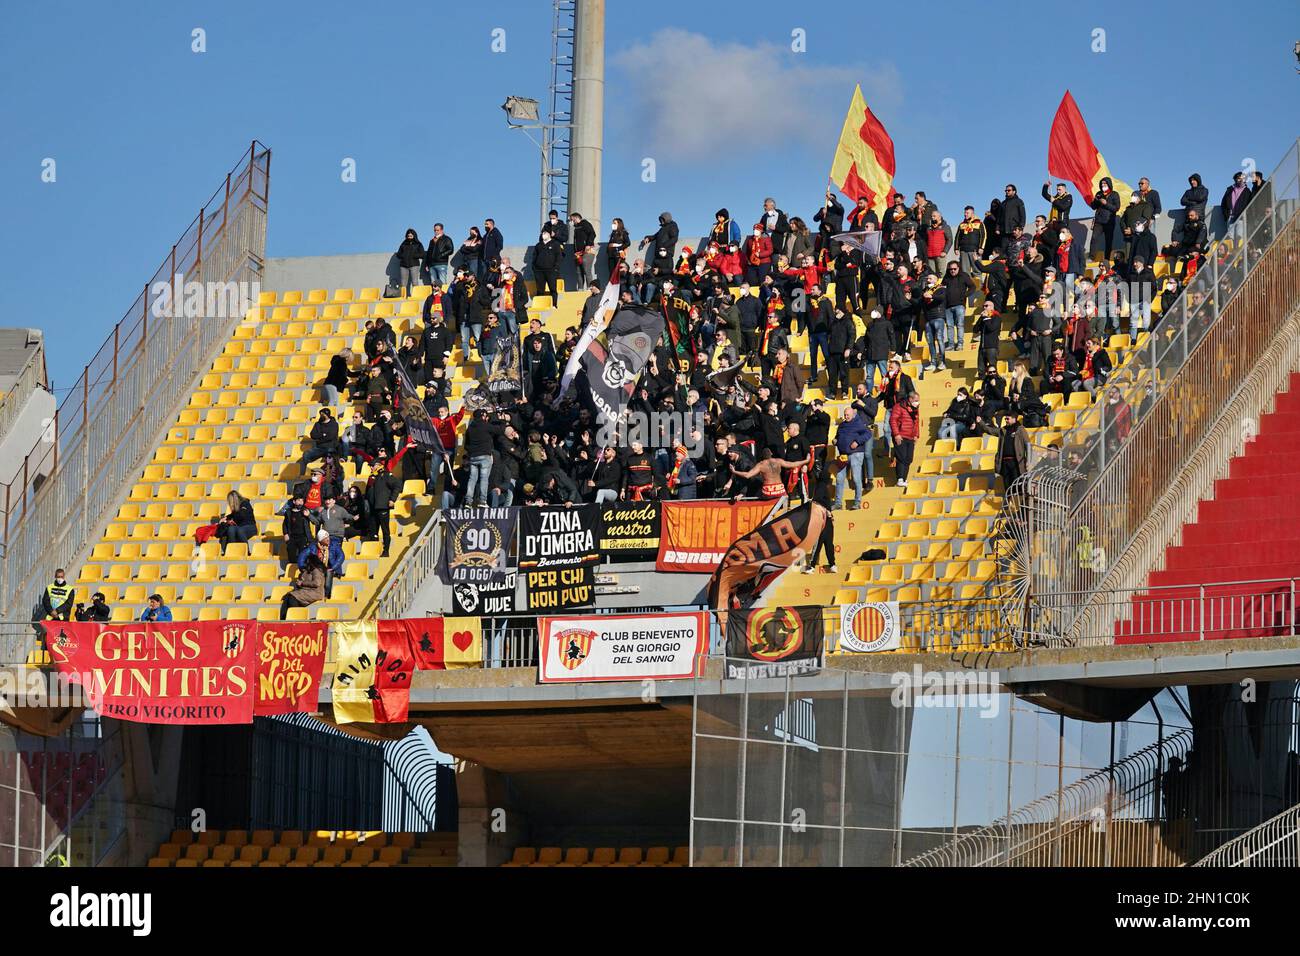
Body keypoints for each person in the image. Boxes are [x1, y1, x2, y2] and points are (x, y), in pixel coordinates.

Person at [833, 406, 872, 509]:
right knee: (839, 478)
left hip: (856, 454)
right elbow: (837, 436)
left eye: (848, 415)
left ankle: (857, 502)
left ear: (853, 415)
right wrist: (835, 440)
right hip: (843, 455)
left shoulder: (859, 423)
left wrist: (857, 441)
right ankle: (838, 503)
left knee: (856, 478)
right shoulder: (841, 425)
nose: (846, 417)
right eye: (845, 415)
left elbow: (868, 433)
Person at [280, 549, 327, 620]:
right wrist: (300, 582)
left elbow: (317, 583)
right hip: (308, 591)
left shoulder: (316, 571)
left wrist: (302, 583)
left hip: (315, 593)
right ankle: (283, 620)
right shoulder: (308, 571)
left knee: (292, 598)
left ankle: (295, 618)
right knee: (287, 597)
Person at [889, 392, 922, 485]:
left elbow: (916, 422)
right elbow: (893, 420)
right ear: (910, 399)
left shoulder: (915, 409)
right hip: (900, 436)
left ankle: (904, 479)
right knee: (901, 457)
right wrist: (896, 434)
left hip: (910, 436)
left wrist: (916, 435)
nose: (917, 402)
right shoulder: (898, 406)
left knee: (909, 458)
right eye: (916, 400)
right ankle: (900, 479)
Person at [531, 226, 563, 302]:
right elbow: (534, 257)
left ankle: (554, 304)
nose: (543, 234)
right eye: (543, 233)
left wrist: (556, 268)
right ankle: (540, 304)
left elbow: (559, 256)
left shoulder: (555, 244)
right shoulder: (538, 245)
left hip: (551, 271)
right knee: (540, 290)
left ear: (549, 234)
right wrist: (534, 267)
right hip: (539, 271)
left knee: (553, 289)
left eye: (545, 233)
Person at [569, 212, 597, 286]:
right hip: (578, 253)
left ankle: (589, 287)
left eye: (572, 220)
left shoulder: (585, 224)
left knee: (586, 270)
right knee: (579, 271)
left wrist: (588, 244)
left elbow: (592, 234)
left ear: (576, 218)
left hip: (587, 251)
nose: (571, 222)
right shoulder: (576, 228)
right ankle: (580, 288)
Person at [424, 222, 455, 288]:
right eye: (435, 230)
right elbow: (429, 253)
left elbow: (451, 250)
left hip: (441, 263)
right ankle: (435, 297)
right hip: (431, 265)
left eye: (437, 230)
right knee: (433, 283)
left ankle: (444, 298)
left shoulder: (447, 239)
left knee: (442, 282)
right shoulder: (432, 241)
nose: (436, 231)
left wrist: (441, 255)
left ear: (442, 230)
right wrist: (427, 264)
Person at [396, 228, 424, 295]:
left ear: (414, 236)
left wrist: (414, 255)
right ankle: (403, 296)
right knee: (403, 283)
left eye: (411, 236)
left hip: (414, 265)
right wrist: (404, 256)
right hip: (403, 266)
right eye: (408, 236)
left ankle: (416, 295)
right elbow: (398, 254)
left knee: (415, 282)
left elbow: (422, 254)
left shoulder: (418, 244)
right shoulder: (403, 244)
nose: (409, 237)